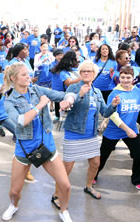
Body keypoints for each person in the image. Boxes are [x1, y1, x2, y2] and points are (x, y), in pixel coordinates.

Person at [1, 63, 75, 222]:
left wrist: (68, 100)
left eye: (28, 74)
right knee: (14, 191)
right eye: (24, 75)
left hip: (46, 146)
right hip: (24, 150)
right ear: (13, 78)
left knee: (65, 185)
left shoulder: (38, 90)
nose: (29, 77)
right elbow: (21, 121)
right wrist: (40, 105)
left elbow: (64, 94)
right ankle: (14, 205)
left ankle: (64, 211)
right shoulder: (9, 100)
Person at [51, 60, 119, 204]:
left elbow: (105, 112)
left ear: (94, 74)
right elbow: (67, 106)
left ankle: (88, 186)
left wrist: (113, 106)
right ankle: (56, 194)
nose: (86, 73)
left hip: (91, 135)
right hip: (73, 133)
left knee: (95, 163)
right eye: (83, 71)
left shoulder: (97, 91)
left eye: (89, 71)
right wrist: (80, 95)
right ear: (80, 74)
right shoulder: (73, 88)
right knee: (67, 168)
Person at [95, 66, 140, 190]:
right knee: (103, 156)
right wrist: (127, 129)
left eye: (128, 77)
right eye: (122, 77)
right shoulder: (114, 93)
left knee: (138, 155)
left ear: (133, 78)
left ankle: (137, 180)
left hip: (131, 130)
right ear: (119, 78)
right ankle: (94, 175)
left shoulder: (138, 92)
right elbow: (113, 115)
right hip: (114, 131)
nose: (125, 80)